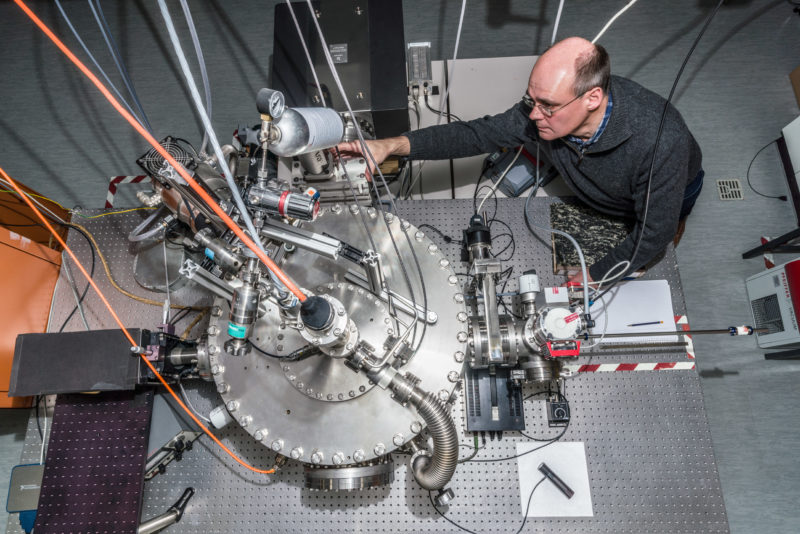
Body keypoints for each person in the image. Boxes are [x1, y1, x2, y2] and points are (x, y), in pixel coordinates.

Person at [337, 37, 703, 285]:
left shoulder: (660, 143)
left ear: (592, 98)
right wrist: (389, 146)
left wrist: (594, 275)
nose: (533, 115)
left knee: (663, 231)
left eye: (548, 106)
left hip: (661, 194)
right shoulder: (544, 112)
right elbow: (478, 134)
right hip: (595, 190)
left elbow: (651, 235)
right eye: (532, 100)